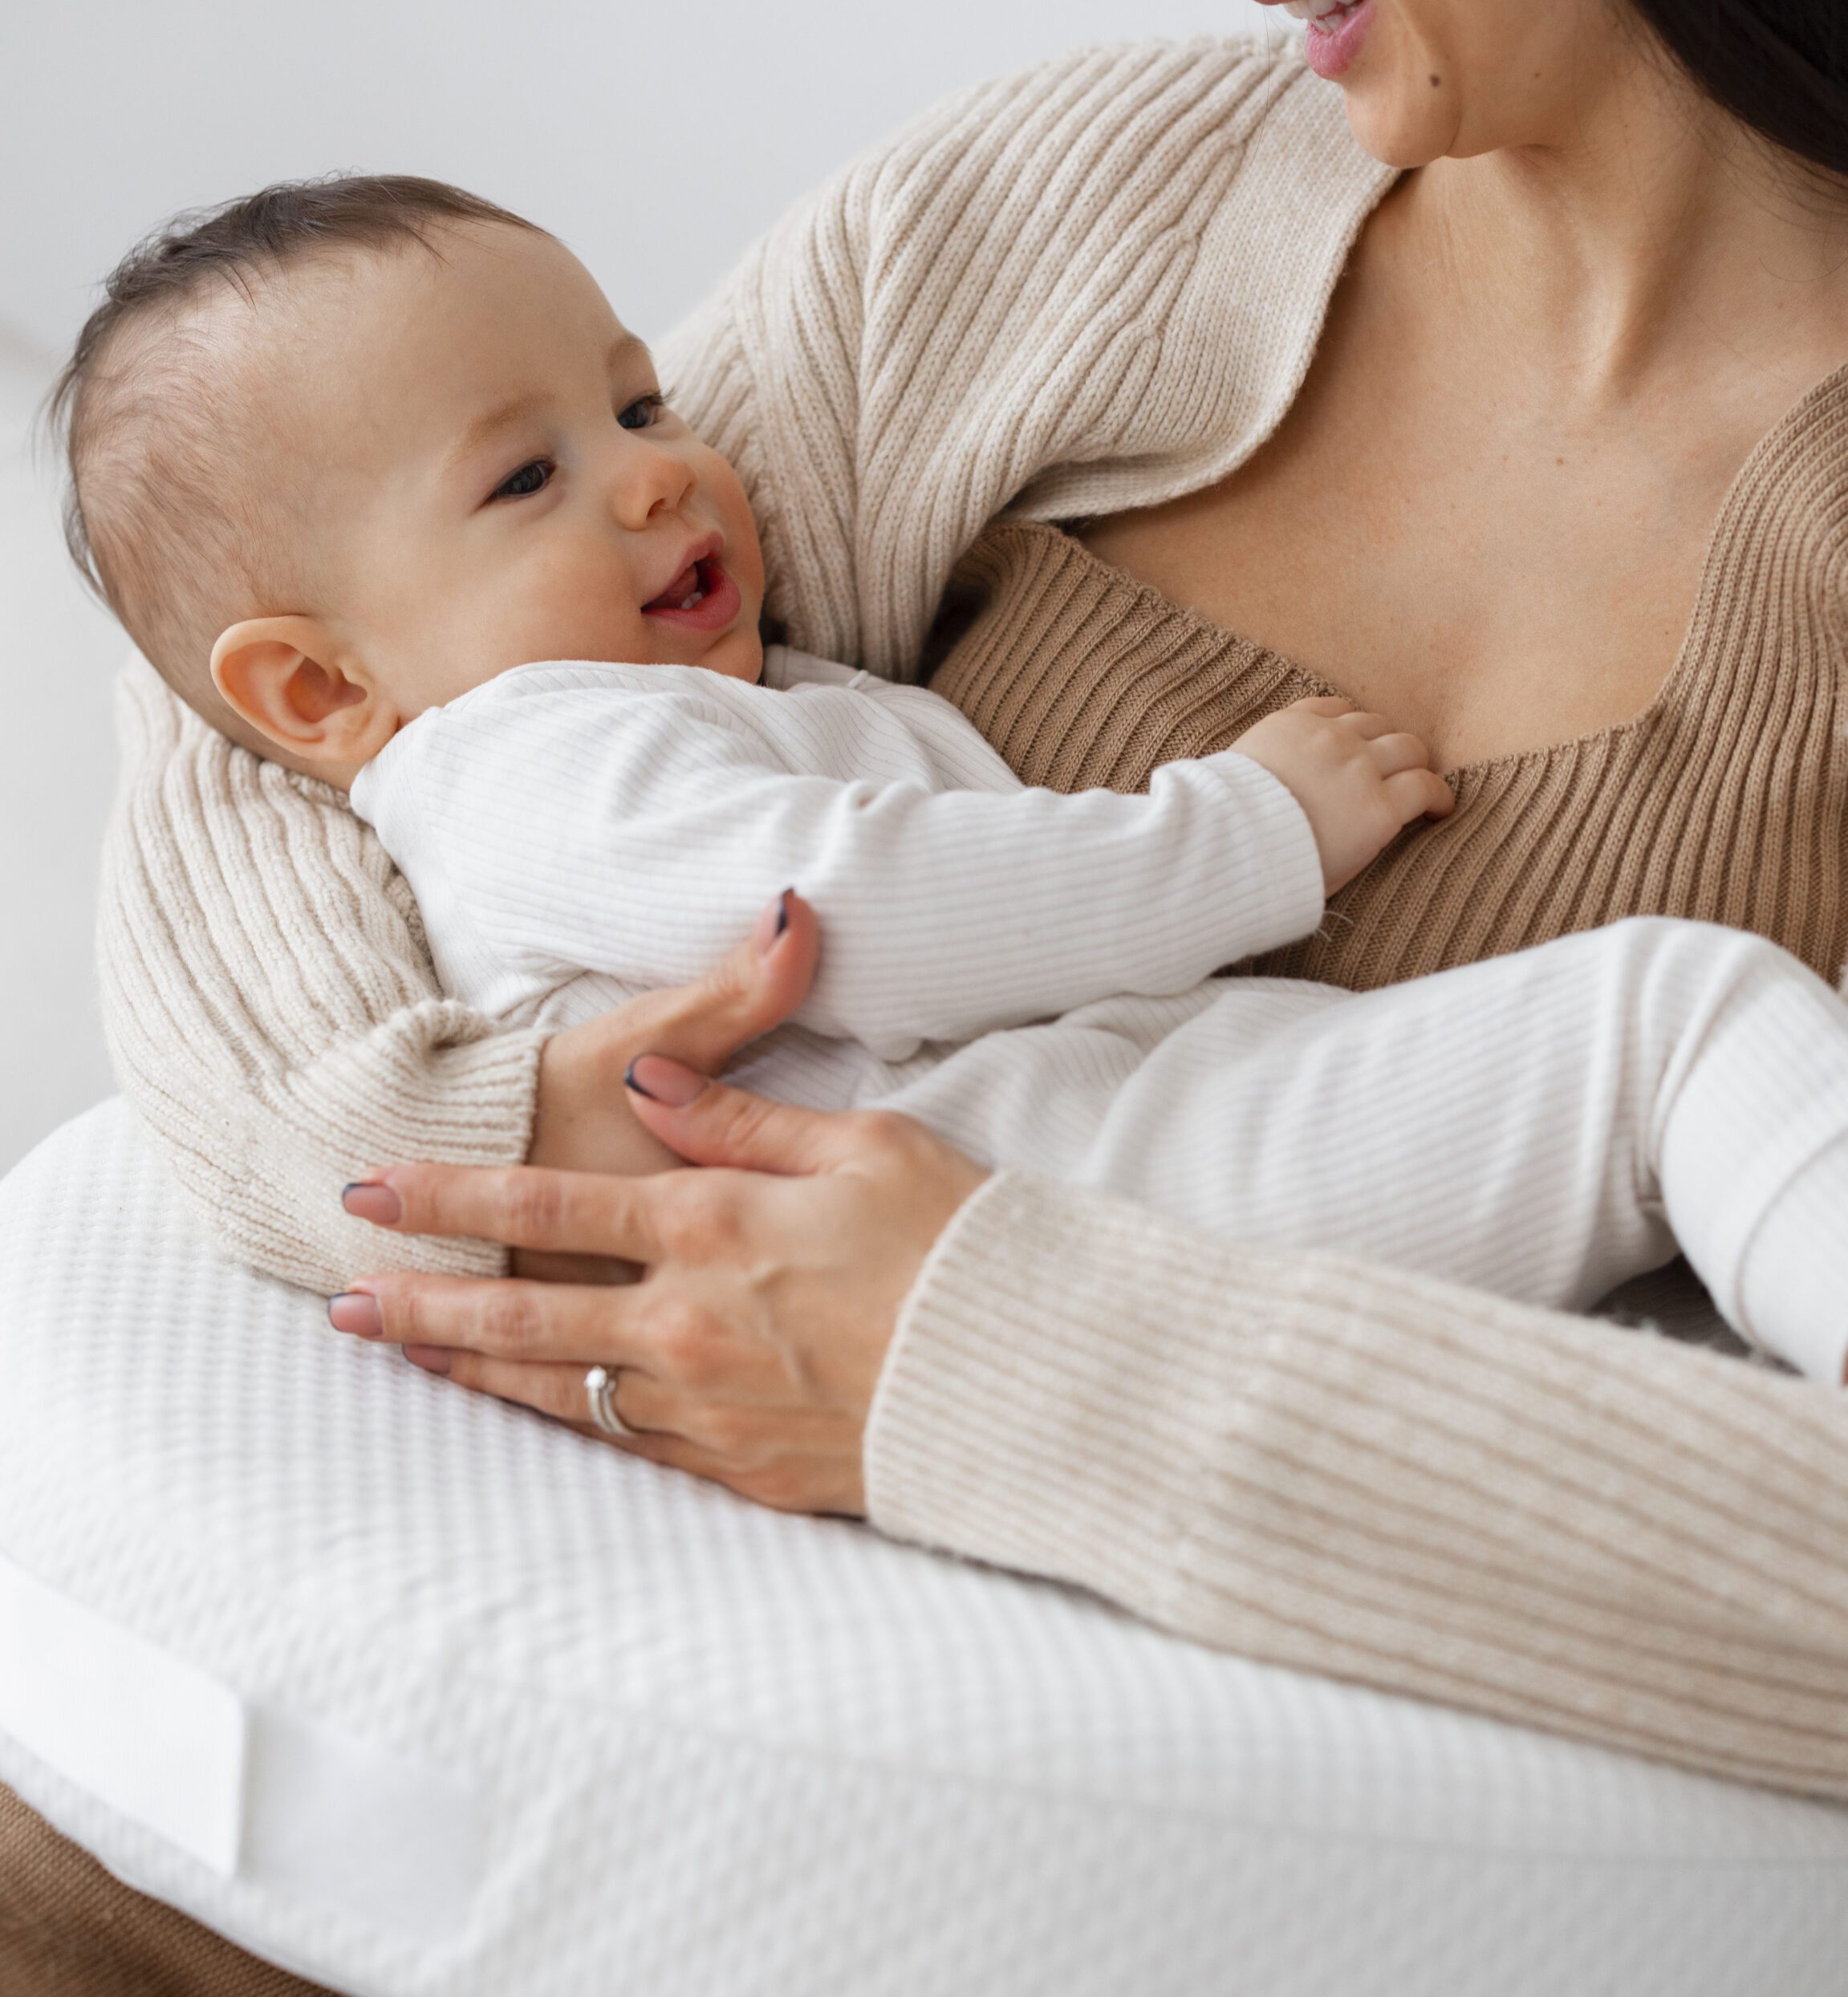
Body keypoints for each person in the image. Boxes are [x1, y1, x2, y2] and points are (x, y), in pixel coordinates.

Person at [85, 0, 1848, 1793]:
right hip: (1092, 1147)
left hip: (1114, 1264)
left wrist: (991, 1357)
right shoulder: (1080, 209)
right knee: (1678, 1024)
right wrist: (475, 1149)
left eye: (638, 405)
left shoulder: (622, 646)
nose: (658, 464)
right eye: (542, 467)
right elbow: (245, 701)